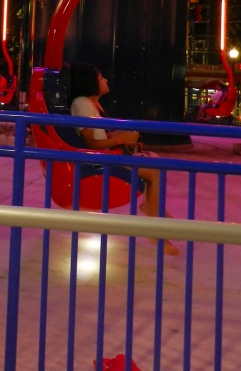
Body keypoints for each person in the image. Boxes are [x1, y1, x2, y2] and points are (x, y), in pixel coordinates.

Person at [67, 63, 179, 255]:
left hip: (105, 157)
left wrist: (121, 135)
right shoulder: (82, 104)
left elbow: (99, 137)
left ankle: (155, 215)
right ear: (89, 82)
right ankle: (155, 223)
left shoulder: (90, 104)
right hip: (99, 162)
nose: (105, 80)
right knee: (155, 171)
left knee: (156, 165)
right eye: (101, 77)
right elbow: (91, 144)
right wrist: (120, 139)